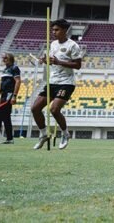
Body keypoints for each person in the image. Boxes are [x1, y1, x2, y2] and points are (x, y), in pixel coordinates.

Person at [32, 19, 82, 150]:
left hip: (66, 83)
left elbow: (78, 65)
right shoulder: (53, 44)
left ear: (65, 30)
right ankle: (43, 135)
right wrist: (45, 60)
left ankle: (65, 134)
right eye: (53, 30)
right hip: (52, 81)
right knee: (35, 108)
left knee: (54, 109)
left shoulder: (73, 45)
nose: (54, 32)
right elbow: (51, 60)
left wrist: (59, 62)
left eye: (57, 30)